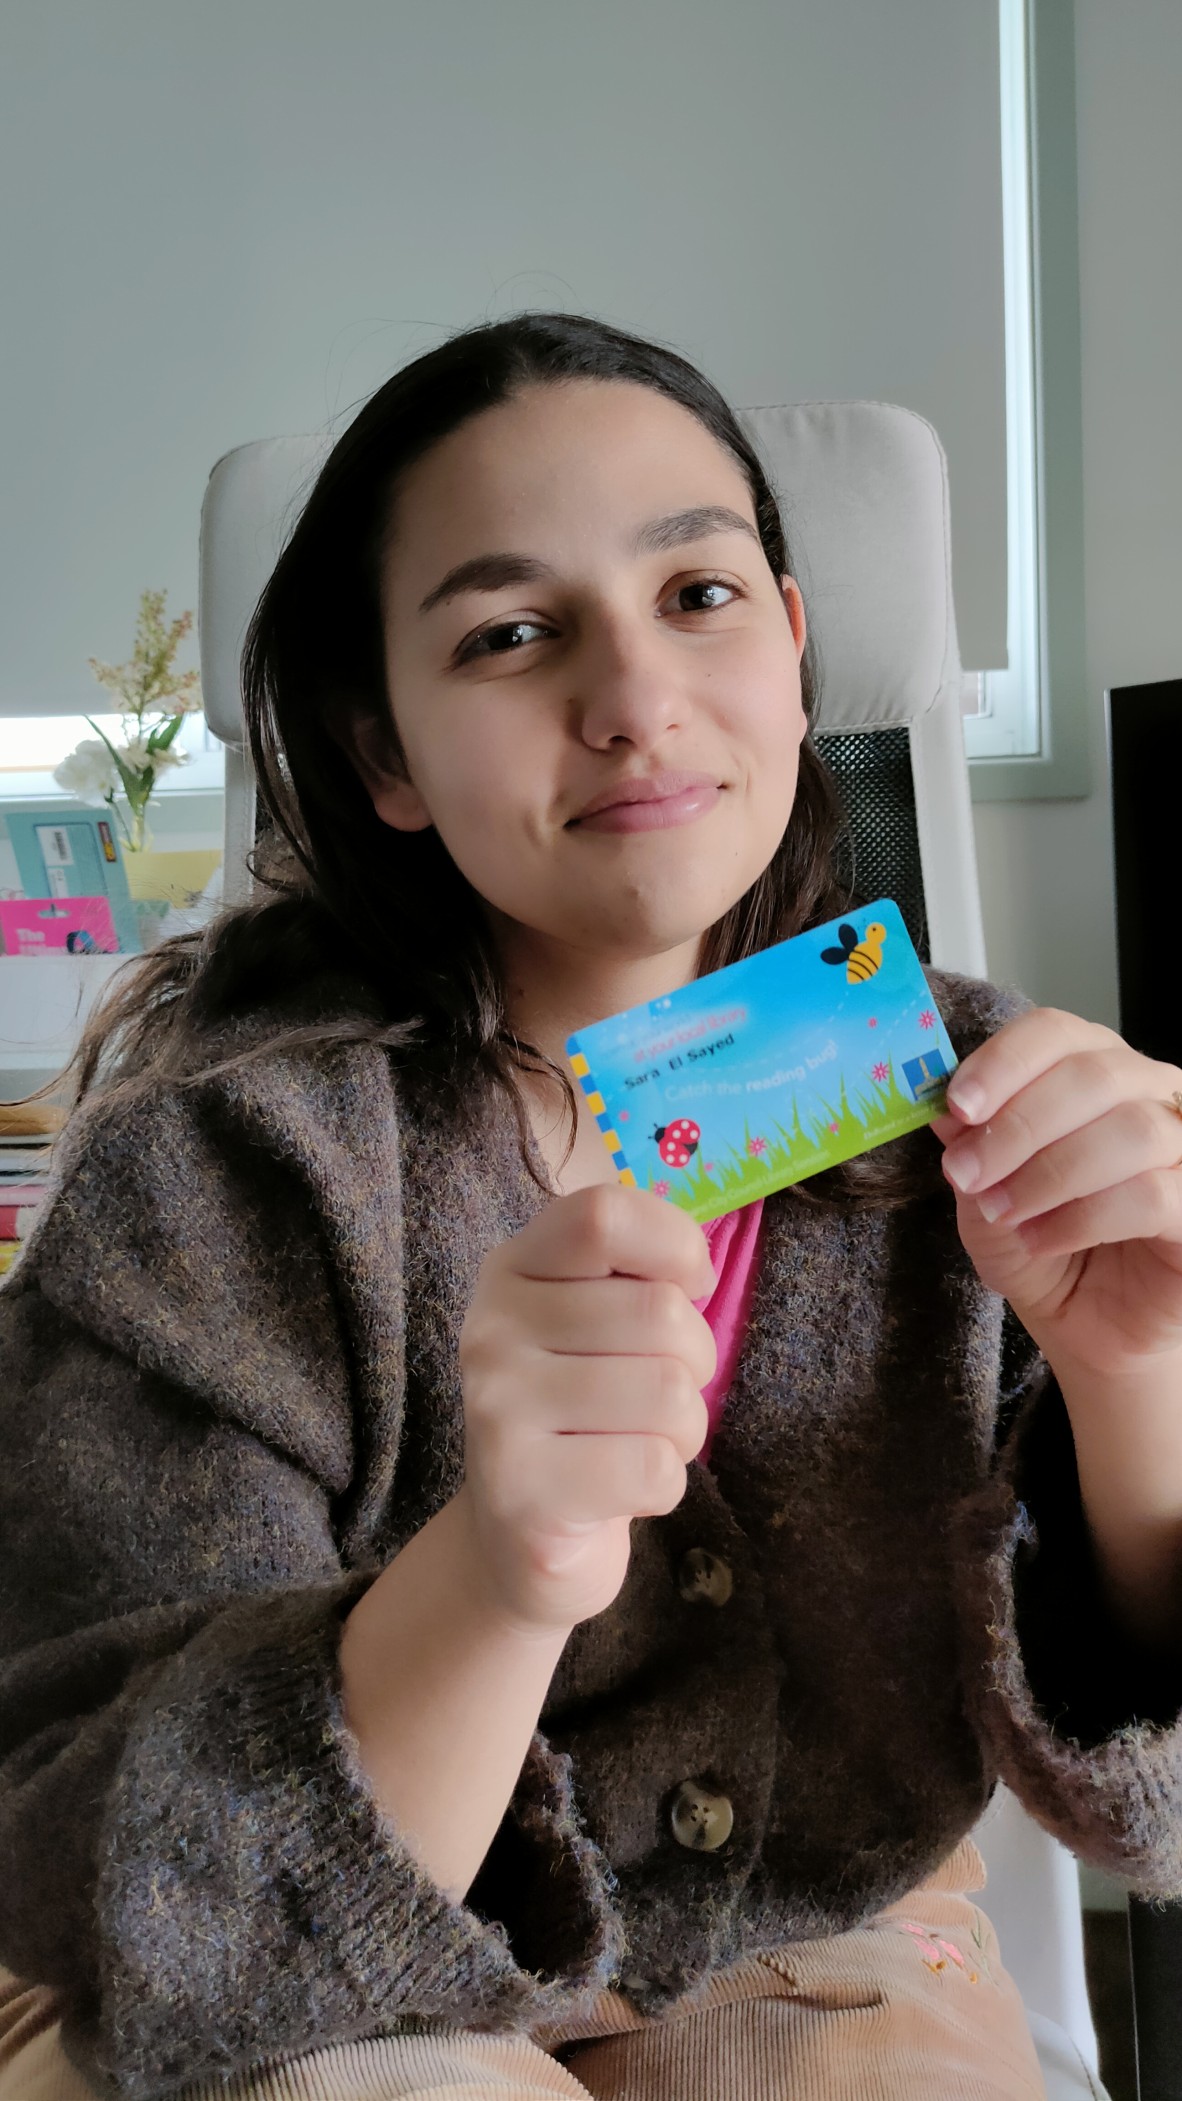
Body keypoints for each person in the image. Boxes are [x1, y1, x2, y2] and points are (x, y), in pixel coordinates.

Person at [2, 311, 1181, 2101]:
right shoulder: (214, 1178)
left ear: (793, 649)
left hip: (821, 1938)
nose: (633, 697)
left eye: (697, 595)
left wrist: (1133, 1375)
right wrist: (500, 1569)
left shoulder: (992, 1117)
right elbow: (164, 1935)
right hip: (320, 1997)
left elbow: (1150, 1819)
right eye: (508, 633)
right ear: (380, 751)